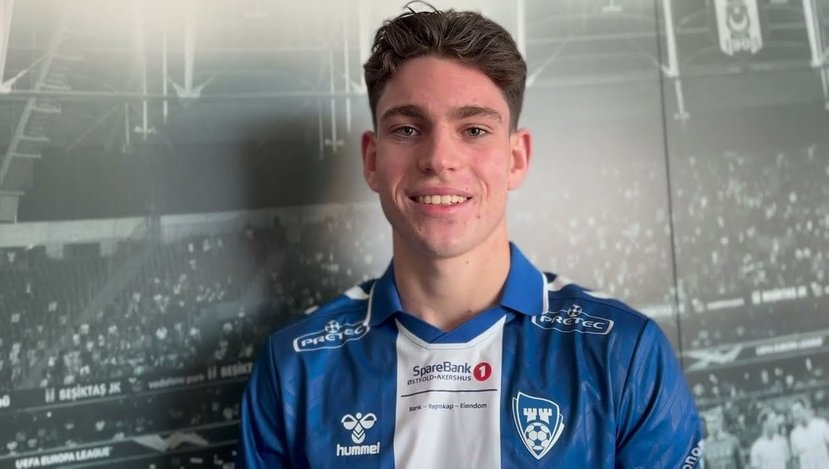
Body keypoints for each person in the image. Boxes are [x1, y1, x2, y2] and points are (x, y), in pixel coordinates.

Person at [238, 5, 701, 468]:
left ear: (517, 158)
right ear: (372, 160)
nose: (440, 158)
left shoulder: (624, 353)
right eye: (407, 129)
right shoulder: (294, 367)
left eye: (474, 129)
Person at [789, 398, 829, 469]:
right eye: (793, 413)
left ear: (805, 409)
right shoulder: (794, 434)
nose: (795, 416)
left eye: (797, 411)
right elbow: (795, 460)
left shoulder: (822, 425)